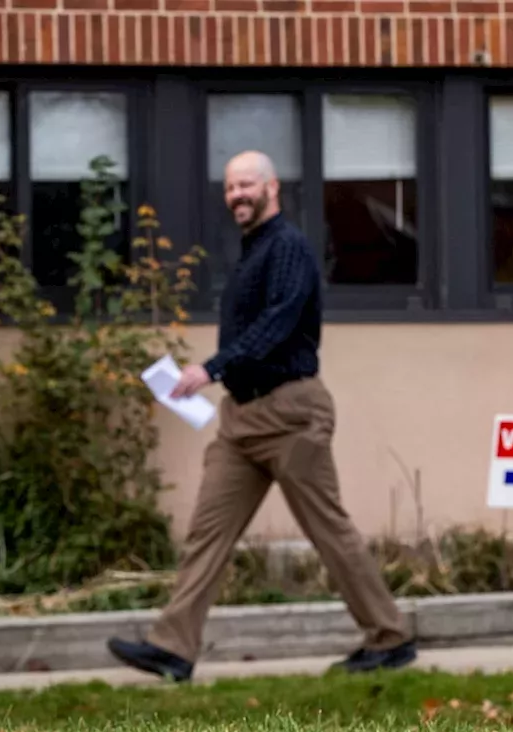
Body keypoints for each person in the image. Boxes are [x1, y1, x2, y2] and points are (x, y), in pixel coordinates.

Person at [107, 150, 416, 681]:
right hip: (242, 420)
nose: (237, 195)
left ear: (272, 187)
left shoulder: (289, 247)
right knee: (208, 532)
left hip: (292, 413)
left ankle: (389, 637)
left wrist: (211, 368)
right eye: (230, 188)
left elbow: (279, 323)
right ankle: (174, 649)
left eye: (247, 184)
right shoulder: (250, 252)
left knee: (328, 530)